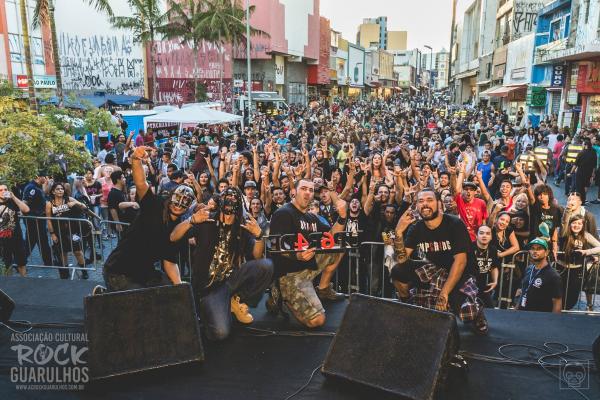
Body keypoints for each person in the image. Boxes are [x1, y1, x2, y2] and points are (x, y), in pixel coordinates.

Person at [169, 187, 273, 341]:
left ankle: (237, 299)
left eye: (234, 197)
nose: (230, 200)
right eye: (226, 196)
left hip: (231, 281)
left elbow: (256, 256)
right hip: (208, 289)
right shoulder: (207, 220)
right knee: (220, 333)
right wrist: (191, 220)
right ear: (220, 200)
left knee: (266, 266)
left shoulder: (242, 226)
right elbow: (173, 237)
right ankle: (210, 307)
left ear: (239, 203)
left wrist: (259, 236)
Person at [390, 188, 488, 334]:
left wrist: (444, 293)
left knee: (466, 312)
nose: (425, 204)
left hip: (460, 272)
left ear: (439, 203)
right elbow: (402, 260)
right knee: (398, 270)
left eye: (429, 200)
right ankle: (409, 305)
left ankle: (477, 311)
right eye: (421, 201)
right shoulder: (416, 227)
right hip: (435, 270)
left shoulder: (454, 223)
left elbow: (460, 262)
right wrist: (398, 232)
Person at [100, 146, 192, 293]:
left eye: (185, 202)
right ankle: (105, 296)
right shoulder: (154, 205)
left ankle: (105, 295)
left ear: (188, 207)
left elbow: (169, 261)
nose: (179, 205)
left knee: (167, 290)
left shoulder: (177, 228)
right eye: (178, 199)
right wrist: (136, 160)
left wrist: (179, 288)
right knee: (140, 299)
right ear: (171, 197)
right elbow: (141, 184)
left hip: (144, 271)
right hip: (119, 269)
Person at [267, 178, 348, 328]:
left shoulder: (312, 218)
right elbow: (275, 245)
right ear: (294, 192)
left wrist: (342, 218)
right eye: (303, 188)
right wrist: (297, 255)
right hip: (288, 275)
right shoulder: (283, 213)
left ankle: (323, 289)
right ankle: (281, 296)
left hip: (307, 268)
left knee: (339, 247)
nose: (308, 193)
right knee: (317, 321)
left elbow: (331, 236)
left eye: (311, 190)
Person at [45, 182, 89, 279]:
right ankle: (66, 272)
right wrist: (52, 234)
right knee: (62, 252)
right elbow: (49, 220)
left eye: (62, 189)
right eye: (58, 189)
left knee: (78, 251)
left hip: (72, 230)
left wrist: (76, 203)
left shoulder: (69, 199)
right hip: (58, 231)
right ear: (53, 192)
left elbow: (84, 207)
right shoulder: (49, 204)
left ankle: (84, 271)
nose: (60, 190)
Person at [557, 214, 600, 311]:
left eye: (579, 223)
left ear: (583, 225)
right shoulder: (565, 233)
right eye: (574, 223)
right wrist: (568, 210)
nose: (576, 225)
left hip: (577, 270)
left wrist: (587, 252)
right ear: (570, 224)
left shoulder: (586, 235)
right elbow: (564, 220)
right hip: (561, 268)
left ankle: (564, 311)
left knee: (572, 297)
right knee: (558, 293)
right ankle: (557, 312)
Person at [516, 238, 562, 313]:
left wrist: (553, 319)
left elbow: (557, 302)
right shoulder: (528, 269)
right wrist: (516, 311)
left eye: (539, 249)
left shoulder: (553, 275)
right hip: (522, 314)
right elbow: (523, 292)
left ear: (546, 252)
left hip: (540, 317)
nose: (535, 251)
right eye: (532, 248)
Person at [22, 172, 53, 266]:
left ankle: (48, 261)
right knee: (32, 242)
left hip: (38, 218)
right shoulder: (31, 187)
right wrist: (27, 217)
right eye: (45, 177)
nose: (46, 179)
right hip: (33, 219)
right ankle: (20, 262)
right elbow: (25, 202)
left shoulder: (38, 186)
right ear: (39, 177)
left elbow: (43, 195)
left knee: (41, 240)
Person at [0, 184, 30, 276]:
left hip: (17, 238)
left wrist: (13, 197)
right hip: (2, 240)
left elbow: (26, 210)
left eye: (5, 189)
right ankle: (9, 283)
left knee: (21, 263)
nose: (3, 191)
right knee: (7, 265)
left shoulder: (12, 201)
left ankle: (24, 282)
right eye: (1, 190)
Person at [472, 225, 500, 308]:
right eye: (481, 233)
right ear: (476, 235)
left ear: (491, 237)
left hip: (482, 286)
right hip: (467, 285)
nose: (484, 235)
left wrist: (495, 281)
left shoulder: (493, 250)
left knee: (490, 309)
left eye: (488, 233)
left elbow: (494, 267)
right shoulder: (469, 248)